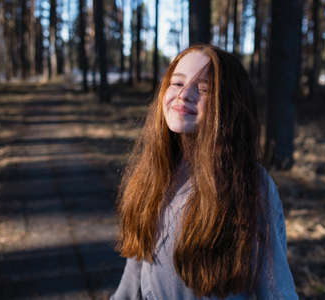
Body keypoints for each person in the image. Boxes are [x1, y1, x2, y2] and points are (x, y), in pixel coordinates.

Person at [110, 44, 298, 300]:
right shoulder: (154, 173)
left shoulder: (251, 186)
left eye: (204, 88)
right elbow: (131, 283)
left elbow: (277, 292)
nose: (184, 95)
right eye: (177, 83)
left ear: (229, 104)